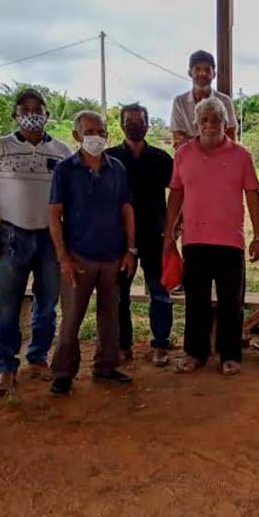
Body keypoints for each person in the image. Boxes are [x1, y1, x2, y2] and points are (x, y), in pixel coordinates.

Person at [0, 89, 73, 393]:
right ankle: (5, 365)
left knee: (47, 303)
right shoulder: (0, 147)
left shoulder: (62, 151)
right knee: (7, 304)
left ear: (48, 115)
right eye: (25, 110)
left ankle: (38, 356)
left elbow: (72, 197)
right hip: (11, 236)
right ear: (15, 115)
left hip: (50, 238)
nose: (32, 115)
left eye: (38, 110)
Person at [164, 96, 259, 376]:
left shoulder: (241, 155)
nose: (210, 125)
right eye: (204, 120)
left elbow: (252, 195)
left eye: (216, 120)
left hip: (230, 241)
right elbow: (176, 192)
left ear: (225, 123)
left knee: (231, 302)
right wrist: (169, 231)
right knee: (196, 301)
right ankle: (195, 352)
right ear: (196, 123)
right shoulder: (183, 154)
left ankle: (229, 355)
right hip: (194, 240)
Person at [48, 111, 137, 396]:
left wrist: (130, 249)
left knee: (110, 317)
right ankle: (63, 373)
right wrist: (63, 257)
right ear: (77, 135)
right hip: (79, 258)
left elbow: (127, 209)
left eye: (100, 131)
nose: (96, 137)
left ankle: (106, 366)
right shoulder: (65, 170)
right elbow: (55, 214)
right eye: (89, 132)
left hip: (113, 256)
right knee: (71, 318)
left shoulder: (117, 168)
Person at [105, 103, 175, 367]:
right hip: (119, 238)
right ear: (122, 125)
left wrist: (175, 226)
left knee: (160, 293)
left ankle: (160, 345)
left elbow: (179, 192)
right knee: (119, 295)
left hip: (155, 235)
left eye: (140, 121)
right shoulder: (110, 159)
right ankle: (123, 345)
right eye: (130, 121)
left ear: (148, 124)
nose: (135, 125)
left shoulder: (161, 158)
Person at [170, 50, 238, 146]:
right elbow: (177, 140)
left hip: (219, 156)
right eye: (197, 69)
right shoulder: (180, 102)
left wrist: (190, 141)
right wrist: (212, 141)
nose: (202, 74)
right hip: (190, 156)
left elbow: (231, 137)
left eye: (207, 70)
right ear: (190, 73)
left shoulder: (225, 101)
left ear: (214, 74)